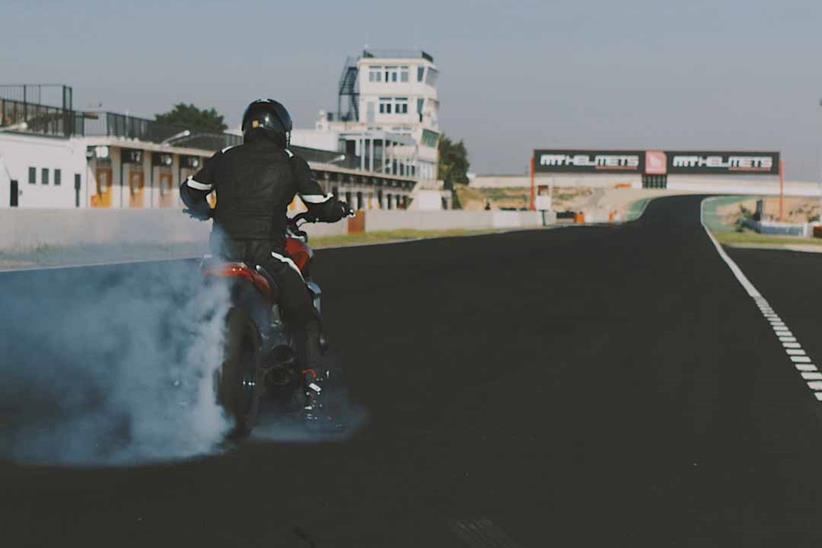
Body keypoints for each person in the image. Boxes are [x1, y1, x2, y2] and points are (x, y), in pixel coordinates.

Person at [179, 99, 351, 390]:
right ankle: (312, 394)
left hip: (222, 255)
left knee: (190, 310)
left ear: (248, 126)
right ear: (282, 129)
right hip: (268, 254)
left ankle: (180, 380)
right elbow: (319, 204)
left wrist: (205, 210)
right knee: (304, 316)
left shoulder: (225, 155)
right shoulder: (290, 161)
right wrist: (340, 209)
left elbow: (190, 191)